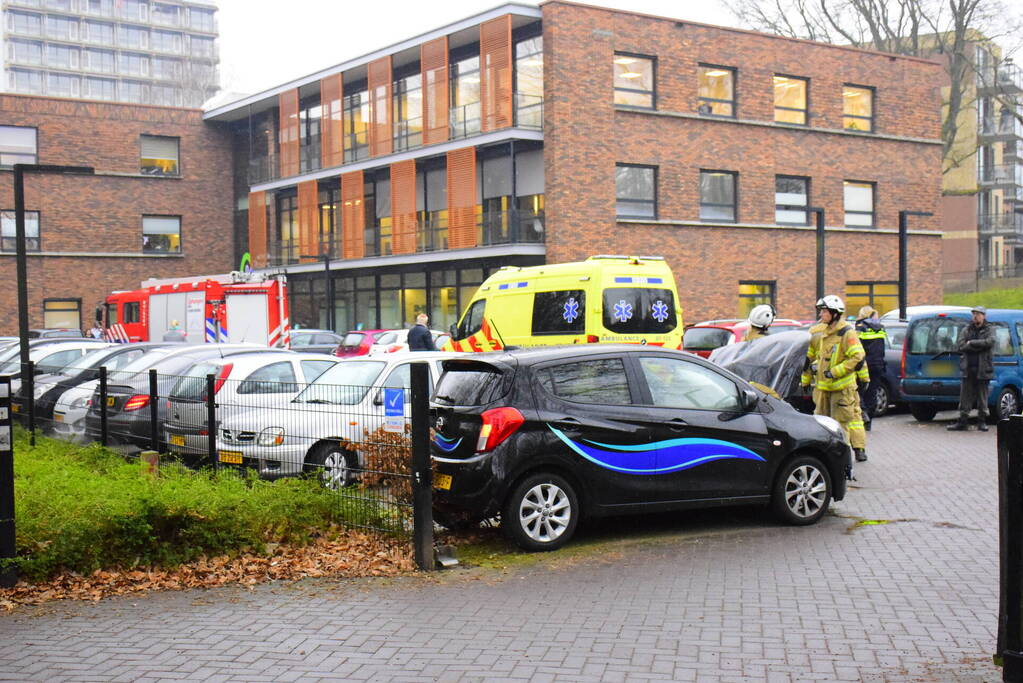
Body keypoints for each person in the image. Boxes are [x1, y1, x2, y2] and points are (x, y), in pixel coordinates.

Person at [800, 295, 868, 462]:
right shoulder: (819, 332)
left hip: (842, 390)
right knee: (821, 424)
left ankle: (846, 459)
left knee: (844, 424)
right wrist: (805, 380)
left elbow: (858, 357)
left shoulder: (846, 333)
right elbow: (809, 359)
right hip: (823, 389)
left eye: (824, 311)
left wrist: (838, 372)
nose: (820, 314)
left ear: (834, 313)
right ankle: (827, 458)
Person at [948, 305, 994, 431]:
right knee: (965, 397)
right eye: (974, 314)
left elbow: (989, 342)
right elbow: (961, 346)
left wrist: (972, 343)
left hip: (983, 369)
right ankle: (963, 421)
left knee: (982, 397)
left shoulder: (989, 329)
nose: (975, 316)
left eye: (978, 314)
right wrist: (978, 346)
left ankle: (982, 421)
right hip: (968, 368)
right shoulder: (966, 329)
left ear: (983, 316)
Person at [855, 306, 887, 431]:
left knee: (859, 391)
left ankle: (863, 414)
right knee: (872, 393)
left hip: (864, 365)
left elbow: (856, 347)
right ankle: (869, 421)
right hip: (878, 364)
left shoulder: (860, 327)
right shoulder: (880, 328)